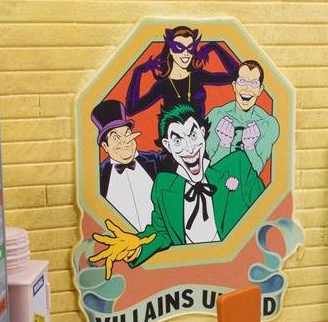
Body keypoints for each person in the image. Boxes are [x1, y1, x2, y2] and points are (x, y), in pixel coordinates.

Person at [89, 102, 265, 276]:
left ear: (202, 133)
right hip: (185, 279)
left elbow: (266, 215)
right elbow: (160, 233)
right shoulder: (163, 188)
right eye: (178, 140)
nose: (189, 148)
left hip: (241, 274)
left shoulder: (237, 166)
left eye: (193, 135)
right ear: (168, 145)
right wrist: (135, 248)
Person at [124, 26, 240, 121]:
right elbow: (131, 110)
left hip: (199, 139)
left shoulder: (198, 76)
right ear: (170, 50)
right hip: (174, 141)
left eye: (190, 48)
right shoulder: (163, 86)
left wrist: (216, 47)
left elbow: (237, 75)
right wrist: (137, 72)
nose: (186, 53)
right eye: (179, 48)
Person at [93, 100, 167, 232]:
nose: (124, 141)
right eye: (116, 138)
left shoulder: (155, 161)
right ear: (105, 146)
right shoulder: (99, 177)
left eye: (127, 134)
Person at [205, 59, 280, 173]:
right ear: (234, 86)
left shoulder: (268, 124)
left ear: (260, 90)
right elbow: (209, 169)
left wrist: (250, 148)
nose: (247, 88)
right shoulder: (216, 116)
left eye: (254, 83)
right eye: (242, 81)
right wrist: (224, 145)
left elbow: (256, 173)